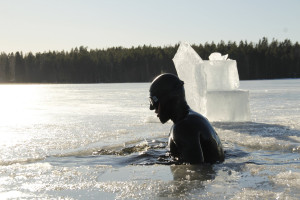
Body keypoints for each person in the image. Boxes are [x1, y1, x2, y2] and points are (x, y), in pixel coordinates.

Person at [149, 73, 225, 164]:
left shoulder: (183, 127)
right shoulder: (193, 119)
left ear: (167, 99)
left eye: (153, 101)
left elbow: (197, 172)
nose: (152, 108)